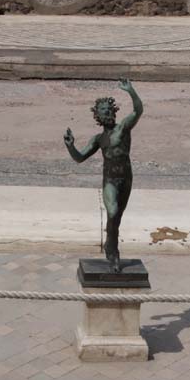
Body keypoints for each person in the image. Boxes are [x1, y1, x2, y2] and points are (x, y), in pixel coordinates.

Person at [63, 79, 143, 272]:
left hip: (126, 178)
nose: (106, 112)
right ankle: (113, 253)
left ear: (114, 111)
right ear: (97, 116)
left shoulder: (123, 128)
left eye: (108, 109)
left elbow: (138, 111)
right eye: (102, 111)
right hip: (110, 181)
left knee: (117, 218)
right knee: (113, 212)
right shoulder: (98, 139)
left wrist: (131, 91)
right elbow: (79, 158)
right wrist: (70, 146)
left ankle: (110, 244)